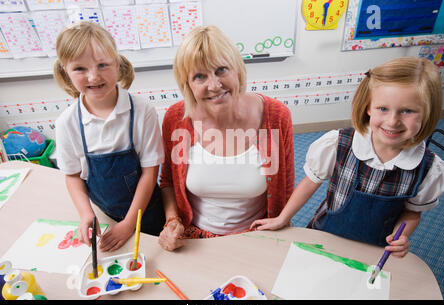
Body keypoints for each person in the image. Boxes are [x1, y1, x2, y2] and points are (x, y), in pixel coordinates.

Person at [251, 57, 444, 257]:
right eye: (383, 108)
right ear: (368, 107)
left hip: (375, 249)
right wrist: (283, 218)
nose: (392, 121)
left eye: (407, 111)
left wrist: (402, 236)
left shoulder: (430, 170)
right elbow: (310, 182)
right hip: (324, 235)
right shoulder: (338, 144)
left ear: (427, 113)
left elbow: (413, 212)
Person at [158, 25, 295, 251]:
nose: (214, 85)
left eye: (221, 70)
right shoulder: (176, 118)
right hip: (194, 240)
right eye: (200, 76)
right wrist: (172, 221)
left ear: (237, 70)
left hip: (258, 237)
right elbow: (168, 183)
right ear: (188, 85)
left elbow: (286, 188)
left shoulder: (277, 116)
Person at [54, 22, 165, 252]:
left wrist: (129, 224)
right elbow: (73, 176)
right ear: (66, 71)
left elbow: (150, 172)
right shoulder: (67, 122)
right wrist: (86, 214)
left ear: (117, 63)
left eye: (102, 65)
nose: (93, 76)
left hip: (148, 212)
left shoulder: (142, 111)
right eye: (80, 69)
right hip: (105, 216)